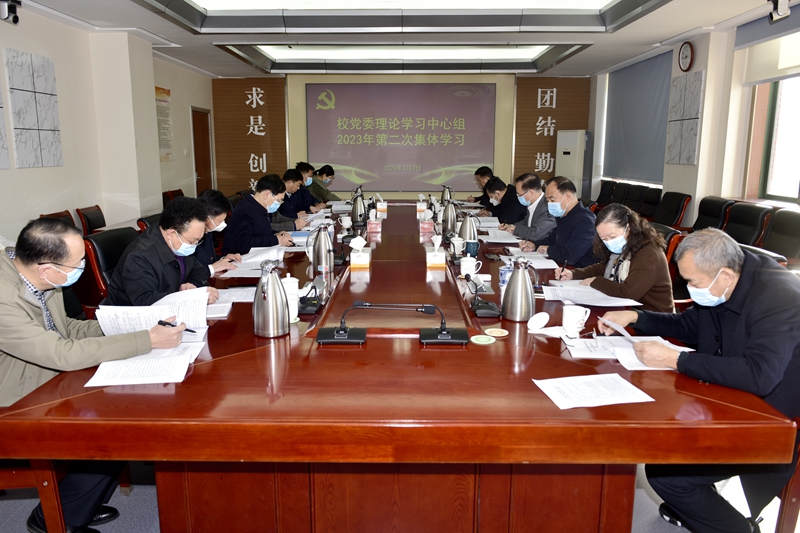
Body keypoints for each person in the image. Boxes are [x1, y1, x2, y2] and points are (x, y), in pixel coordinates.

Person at [599, 228, 800, 533]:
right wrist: (637, 317)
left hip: (771, 416)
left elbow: (760, 375)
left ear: (726, 276)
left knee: (668, 474)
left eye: (693, 282)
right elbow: (690, 325)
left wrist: (675, 359)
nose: (691, 289)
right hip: (730, 393)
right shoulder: (723, 280)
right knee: (662, 436)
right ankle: (698, 507)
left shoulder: (779, 296)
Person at [0, 218, 184, 532]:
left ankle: (77, 503)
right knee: (111, 430)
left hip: (46, 376)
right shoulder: (5, 299)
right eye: (78, 264)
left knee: (128, 409)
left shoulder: (40, 274)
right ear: (46, 269)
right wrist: (145, 340)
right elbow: (61, 353)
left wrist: (132, 326)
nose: (83, 268)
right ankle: (56, 518)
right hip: (14, 399)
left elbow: (66, 329)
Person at [555, 203, 673, 312]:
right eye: (604, 239)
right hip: (623, 310)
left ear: (629, 228)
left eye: (612, 237)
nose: (609, 242)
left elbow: (628, 292)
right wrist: (574, 274)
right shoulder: (625, 245)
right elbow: (605, 267)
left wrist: (597, 282)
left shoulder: (649, 254)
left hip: (651, 318)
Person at [106, 196, 219, 306]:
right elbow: (145, 301)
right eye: (192, 241)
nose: (195, 245)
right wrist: (190, 297)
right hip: (135, 315)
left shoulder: (178, 243)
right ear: (171, 233)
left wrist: (190, 285)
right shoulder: (139, 256)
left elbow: (199, 270)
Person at [520, 176, 596, 268]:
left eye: (552, 200)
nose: (549, 204)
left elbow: (570, 256)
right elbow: (553, 239)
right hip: (562, 266)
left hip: (579, 271)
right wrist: (535, 245)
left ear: (568, 196)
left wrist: (549, 249)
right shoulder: (564, 214)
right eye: (547, 201)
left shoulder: (585, 221)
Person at [221, 174, 294, 255]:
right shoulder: (245, 210)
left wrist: (276, 234)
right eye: (279, 200)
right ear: (267, 194)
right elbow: (244, 243)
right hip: (238, 258)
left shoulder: (258, 206)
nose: (279, 204)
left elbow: (258, 231)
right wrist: (276, 240)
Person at [195, 189, 241, 277]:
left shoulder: (208, 230)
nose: (222, 224)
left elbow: (209, 259)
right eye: (220, 221)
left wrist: (224, 259)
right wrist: (211, 269)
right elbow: (188, 271)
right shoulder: (190, 237)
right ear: (206, 218)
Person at [498, 173, 556, 242]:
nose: (518, 197)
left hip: (541, 245)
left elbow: (535, 233)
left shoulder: (548, 207)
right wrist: (510, 226)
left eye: (519, 194)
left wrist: (514, 229)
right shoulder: (532, 203)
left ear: (531, 193)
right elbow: (526, 222)